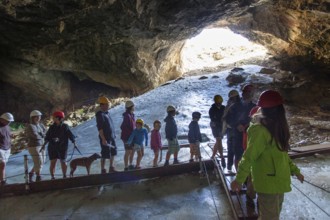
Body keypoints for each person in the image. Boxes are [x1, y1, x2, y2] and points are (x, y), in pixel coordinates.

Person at [231, 90, 304, 220]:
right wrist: (239, 179)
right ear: (278, 110)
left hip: (279, 182)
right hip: (268, 184)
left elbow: (282, 155)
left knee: (272, 216)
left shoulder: (276, 128)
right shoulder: (260, 131)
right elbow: (249, 157)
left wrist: (295, 171)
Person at [224, 85, 256, 170]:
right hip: (238, 135)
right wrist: (237, 125)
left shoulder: (254, 107)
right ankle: (239, 176)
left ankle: (248, 177)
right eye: (246, 93)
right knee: (238, 154)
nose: (247, 95)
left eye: (249, 93)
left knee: (249, 155)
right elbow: (228, 118)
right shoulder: (235, 106)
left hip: (251, 135)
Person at [41, 111, 76, 179]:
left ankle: (64, 176)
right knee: (53, 162)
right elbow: (47, 137)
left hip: (62, 147)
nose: (53, 118)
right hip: (52, 147)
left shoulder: (65, 126)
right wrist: (43, 145)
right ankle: (52, 177)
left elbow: (70, 135)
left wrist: (74, 142)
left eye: (54, 117)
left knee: (63, 161)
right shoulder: (51, 127)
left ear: (58, 118)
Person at [96, 96, 117, 173]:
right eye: (106, 104)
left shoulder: (107, 113)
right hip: (105, 138)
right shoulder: (100, 115)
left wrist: (113, 135)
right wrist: (103, 139)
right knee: (104, 153)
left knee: (113, 151)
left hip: (111, 137)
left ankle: (111, 167)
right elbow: (100, 128)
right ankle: (103, 169)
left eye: (108, 104)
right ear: (102, 105)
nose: (108, 106)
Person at [25, 110, 47, 182]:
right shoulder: (30, 126)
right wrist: (42, 135)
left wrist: (42, 134)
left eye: (39, 116)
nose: (38, 118)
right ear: (32, 118)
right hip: (34, 146)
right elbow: (35, 136)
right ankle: (38, 176)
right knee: (38, 162)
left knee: (42, 161)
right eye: (36, 117)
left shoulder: (41, 125)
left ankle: (30, 174)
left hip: (42, 145)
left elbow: (45, 132)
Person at [223, 89, 240, 172]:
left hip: (233, 130)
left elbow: (225, 118)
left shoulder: (229, 106)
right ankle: (231, 166)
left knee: (232, 149)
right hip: (234, 130)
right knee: (235, 149)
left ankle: (230, 166)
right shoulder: (240, 105)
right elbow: (225, 118)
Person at [209, 95, 226, 168]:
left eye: (220, 102)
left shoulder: (223, 108)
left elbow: (226, 115)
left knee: (218, 141)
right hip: (215, 127)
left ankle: (213, 155)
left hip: (221, 126)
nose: (219, 104)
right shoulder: (212, 109)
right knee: (219, 140)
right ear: (215, 102)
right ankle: (222, 157)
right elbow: (213, 119)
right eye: (218, 102)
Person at [120, 100, 136, 170]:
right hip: (127, 137)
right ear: (131, 107)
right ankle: (126, 167)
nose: (134, 107)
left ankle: (130, 164)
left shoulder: (131, 115)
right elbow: (130, 127)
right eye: (133, 106)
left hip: (130, 136)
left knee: (131, 151)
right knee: (128, 151)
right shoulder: (127, 116)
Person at [0, 112, 14, 185]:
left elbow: (8, 135)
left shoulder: (7, 127)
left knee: (3, 165)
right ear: (2, 119)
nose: (9, 122)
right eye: (7, 121)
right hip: (1, 148)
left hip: (7, 148)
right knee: (2, 164)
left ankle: (2, 180)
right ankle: (2, 180)